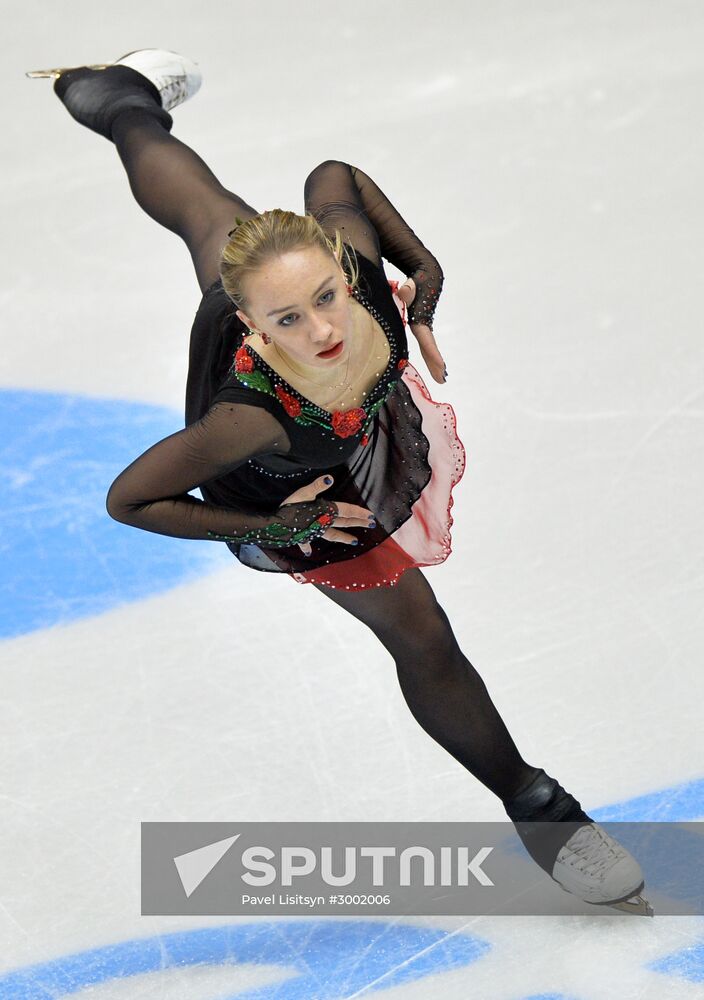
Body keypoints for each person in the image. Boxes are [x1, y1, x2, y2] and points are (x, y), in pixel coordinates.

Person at [28, 48, 652, 916]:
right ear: (250, 324)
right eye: (289, 317)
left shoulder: (354, 280)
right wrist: (269, 531)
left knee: (216, 215)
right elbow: (128, 500)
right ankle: (547, 813)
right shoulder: (245, 419)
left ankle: (115, 95)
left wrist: (422, 272)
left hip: (331, 400)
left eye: (327, 298)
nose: (324, 330)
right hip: (290, 494)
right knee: (423, 635)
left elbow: (336, 174)